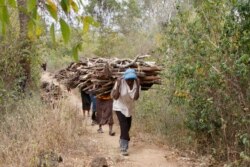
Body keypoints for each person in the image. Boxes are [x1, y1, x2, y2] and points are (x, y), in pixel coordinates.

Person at [111, 68, 140, 156]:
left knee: (127, 126)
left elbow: (135, 98)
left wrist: (138, 86)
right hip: (119, 106)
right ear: (125, 78)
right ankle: (124, 148)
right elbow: (115, 97)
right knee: (123, 125)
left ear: (134, 79)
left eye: (131, 80)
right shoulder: (120, 82)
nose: (130, 82)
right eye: (128, 80)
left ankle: (122, 139)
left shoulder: (136, 84)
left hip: (129, 108)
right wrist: (118, 85)